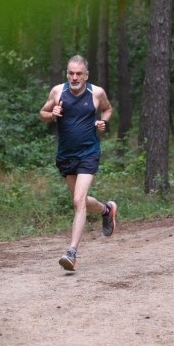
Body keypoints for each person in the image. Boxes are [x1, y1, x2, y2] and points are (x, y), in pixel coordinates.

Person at [40, 55, 117, 271]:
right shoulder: (58, 91)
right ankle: (106, 210)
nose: (74, 77)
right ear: (67, 74)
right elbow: (43, 112)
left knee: (78, 201)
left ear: (86, 75)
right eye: (71, 73)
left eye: (78, 74)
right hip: (65, 155)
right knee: (79, 201)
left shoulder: (97, 92)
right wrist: (51, 113)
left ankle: (72, 252)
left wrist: (103, 122)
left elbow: (108, 109)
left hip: (88, 152)